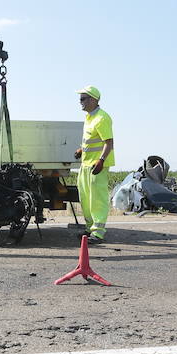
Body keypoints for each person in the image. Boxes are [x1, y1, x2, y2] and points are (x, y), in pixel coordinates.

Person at [72, 85, 114, 243]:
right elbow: (91, 140)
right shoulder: (89, 117)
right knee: (85, 197)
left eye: (83, 99)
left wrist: (101, 161)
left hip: (97, 166)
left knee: (97, 198)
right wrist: (81, 150)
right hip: (86, 164)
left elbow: (108, 143)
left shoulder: (102, 118)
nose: (80, 102)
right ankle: (90, 228)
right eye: (80, 99)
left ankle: (98, 232)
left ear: (93, 100)